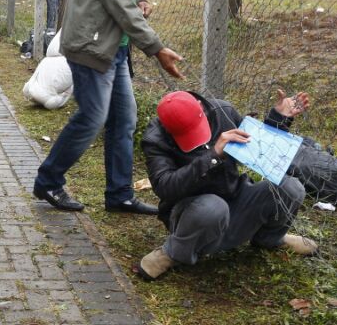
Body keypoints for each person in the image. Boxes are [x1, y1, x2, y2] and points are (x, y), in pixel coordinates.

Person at [32, 0, 186, 216]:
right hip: (92, 45)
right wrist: (157, 48)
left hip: (111, 45)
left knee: (123, 120)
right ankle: (48, 180)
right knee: (92, 117)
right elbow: (119, 2)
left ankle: (120, 195)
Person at [135, 89, 319, 280]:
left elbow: (255, 148)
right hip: (193, 213)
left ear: (201, 107)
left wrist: (278, 119)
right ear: (166, 127)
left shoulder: (223, 111)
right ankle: (173, 253)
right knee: (212, 207)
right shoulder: (155, 139)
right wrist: (212, 156)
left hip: (233, 195)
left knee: (290, 188)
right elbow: (166, 187)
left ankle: (270, 239)